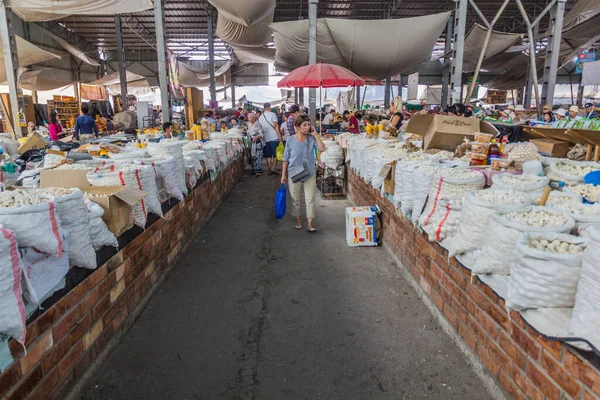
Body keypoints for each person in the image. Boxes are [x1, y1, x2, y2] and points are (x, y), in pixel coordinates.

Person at [281, 115, 327, 232]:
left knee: (310, 199)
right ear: (297, 126)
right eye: (304, 125)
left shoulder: (311, 139)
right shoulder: (290, 140)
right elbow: (285, 158)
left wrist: (315, 135)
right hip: (294, 173)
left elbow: (322, 149)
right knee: (295, 199)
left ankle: (310, 224)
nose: (307, 127)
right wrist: (283, 175)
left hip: (309, 172)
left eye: (308, 125)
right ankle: (298, 220)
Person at [259, 103, 283, 175]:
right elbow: (276, 126)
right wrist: (280, 138)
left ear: (264, 108)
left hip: (265, 138)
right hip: (274, 137)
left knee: (268, 154)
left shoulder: (261, 117)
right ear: (269, 107)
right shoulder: (273, 114)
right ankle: (273, 168)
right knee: (275, 153)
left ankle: (269, 168)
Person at [247, 113, 264, 177]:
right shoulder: (248, 124)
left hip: (257, 143)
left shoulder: (258, 124)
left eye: (250, 118)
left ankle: (258, 171)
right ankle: (254, 170)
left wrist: (256, 137)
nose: (249, 119)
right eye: (248, 118)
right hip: (251, 143)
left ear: (254, 118)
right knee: (252, 157)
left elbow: (261, 134)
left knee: (257, 156)